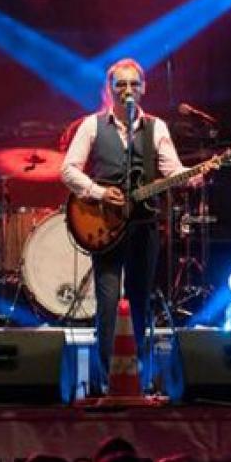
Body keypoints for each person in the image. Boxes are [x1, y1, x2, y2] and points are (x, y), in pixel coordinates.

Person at [61, 58, 188, 389]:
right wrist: (99, 192)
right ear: (109, 89)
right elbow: (68, 170)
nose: (127, 90)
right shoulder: (91, 125)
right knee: (107, 305)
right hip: (105, 225)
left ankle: (137, 380)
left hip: (144, 226)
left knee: (139, 302)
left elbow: (173, 172)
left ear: (143, 88)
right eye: (120, 84)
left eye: (134, 84)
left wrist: (193, 176)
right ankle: (109, 383)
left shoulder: (156, 127)